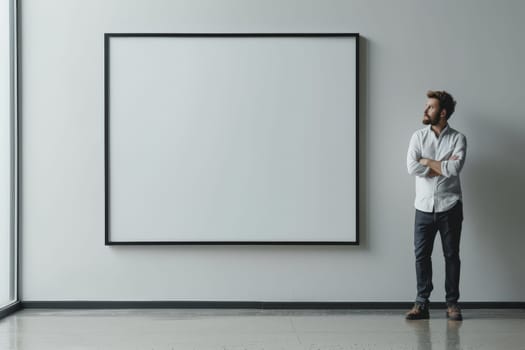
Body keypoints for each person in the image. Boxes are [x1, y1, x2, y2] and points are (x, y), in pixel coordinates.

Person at [405, 90, 467, 321]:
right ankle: (421, 303)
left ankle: (452, 304)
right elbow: (412, 167)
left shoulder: (458, 139)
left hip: (450, 205)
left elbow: (455, 169)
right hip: (423, 206)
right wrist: (441, 165)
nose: (425, 110)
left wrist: (426, 162)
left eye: (430, 107)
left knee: (451, 255)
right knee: (421, 256)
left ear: (442, 113)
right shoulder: (417, 137)